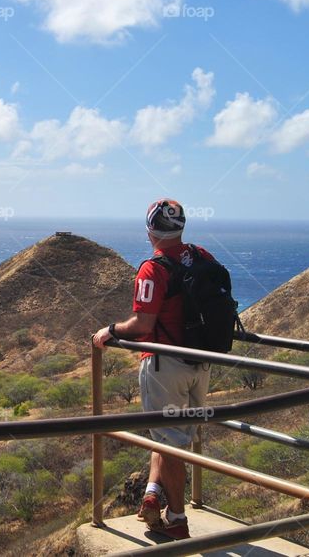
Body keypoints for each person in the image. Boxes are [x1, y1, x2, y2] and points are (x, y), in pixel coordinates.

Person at [92, 198, 214, 540]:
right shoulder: (202, 256)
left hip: (164, 364)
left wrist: (111, 331)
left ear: (150, 230)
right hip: (202, 363)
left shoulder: (153, 268)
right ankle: (153, 494)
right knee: (171, 437)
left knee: (169, 440)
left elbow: (143, 325)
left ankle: (176, 519)